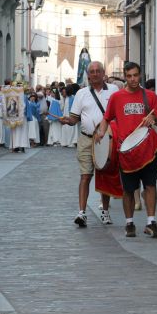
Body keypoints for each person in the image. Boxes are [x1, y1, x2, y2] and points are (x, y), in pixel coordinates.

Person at [96, 62, 157, 238]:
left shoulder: (150, 96)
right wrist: (101, 133)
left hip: (148, 149)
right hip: (126, 151)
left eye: (136, 75)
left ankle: (151, 222)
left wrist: (153, 120)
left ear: (140, 75)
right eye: (129, 76)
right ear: (125, 77)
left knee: (150, 185)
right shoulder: (117, 97)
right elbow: (106, 118)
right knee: (128, 189)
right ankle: (129, 223)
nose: (133, 79)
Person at [60, 61, 119, 227]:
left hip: (106, 139)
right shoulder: (81, 94)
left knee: (105, 175)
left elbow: (117, 115)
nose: (94, 74)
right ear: (88, 75)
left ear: (103, 73)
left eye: (97, 71)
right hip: (86, 139)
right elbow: (74, 118)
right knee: (85, 176)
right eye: (91, 71)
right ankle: (82, 213)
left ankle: (105, 212)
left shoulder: (114, 90)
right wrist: (67, 121)